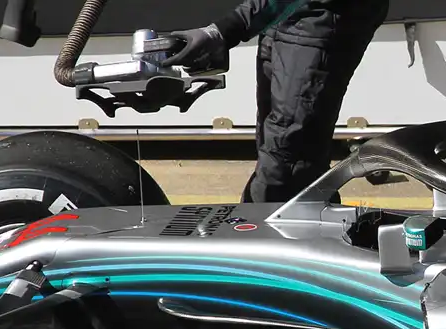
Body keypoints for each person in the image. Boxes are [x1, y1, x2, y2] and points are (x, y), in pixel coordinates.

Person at [162, 0, 390, 204]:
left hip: (321, 17)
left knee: (287, 155)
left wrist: (225, 29)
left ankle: (259, 230)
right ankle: (306, 225)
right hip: (281, 17)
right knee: (276, 147)